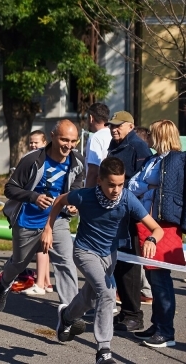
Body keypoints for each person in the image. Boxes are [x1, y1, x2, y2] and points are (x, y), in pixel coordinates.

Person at [43, 157, 163, 364]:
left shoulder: (127, 199)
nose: (116, 190)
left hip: (109, 255)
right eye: (111, 185)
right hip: (84, 251)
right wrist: (48, 228)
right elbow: (60, 200)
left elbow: (156, 229)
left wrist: (152, 239)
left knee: (90, 297)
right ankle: (104, 351)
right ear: (99, 181)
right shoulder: (85, 196)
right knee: (107, 293)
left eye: (120, 184)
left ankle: (67, 317)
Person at [0, 119, 83, 313]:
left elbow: (76, 184)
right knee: (19, 263)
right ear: (52, 137)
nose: (69, 145)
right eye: (64, 140)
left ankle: (70, 314)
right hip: (28, 220)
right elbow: (10, 188)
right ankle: (5, 283)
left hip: (57, 219)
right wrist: (34, 197)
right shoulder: (32, 160)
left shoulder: (77, 160)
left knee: (66, 262)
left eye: (73, 141)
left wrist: (72, 201)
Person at [128, 119, 185, 347]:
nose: (148, 138)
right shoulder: (152, 159)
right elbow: (133, 185)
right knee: (153, 277)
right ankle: (157, 325)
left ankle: (166, 332)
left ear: (161, 135)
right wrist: (150, 186)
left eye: (152, 134)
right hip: (148, 223)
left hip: (166, 224)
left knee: (161, 279)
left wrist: (150, 186)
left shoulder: (179, 160)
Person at [105, 110, 152, 332]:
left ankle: (134, 315)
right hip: (115, 212)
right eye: (111, 125)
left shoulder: (138, 147)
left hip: (130, 214)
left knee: (129, 266)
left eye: (118, 125)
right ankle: (126, 311)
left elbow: (143, 181)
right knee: (119, 263)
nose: (114, 129)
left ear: (130, 126)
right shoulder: (116, 145)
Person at [22, 130, 53, 295]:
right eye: (31, 142)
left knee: (42, 247)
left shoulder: (45, 160)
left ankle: (40, 283)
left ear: (44, 143)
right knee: (42, 247)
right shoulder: (29, 158)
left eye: (37, 142)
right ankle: (46, 282)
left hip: (42, 206)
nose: (33, 145)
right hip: (33, 205)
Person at [85, 103, 112, 189]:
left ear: (91, 118)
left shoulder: (95, 137)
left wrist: (86, 193)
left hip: (97, 189)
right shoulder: (113, 135)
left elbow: (93, 170)